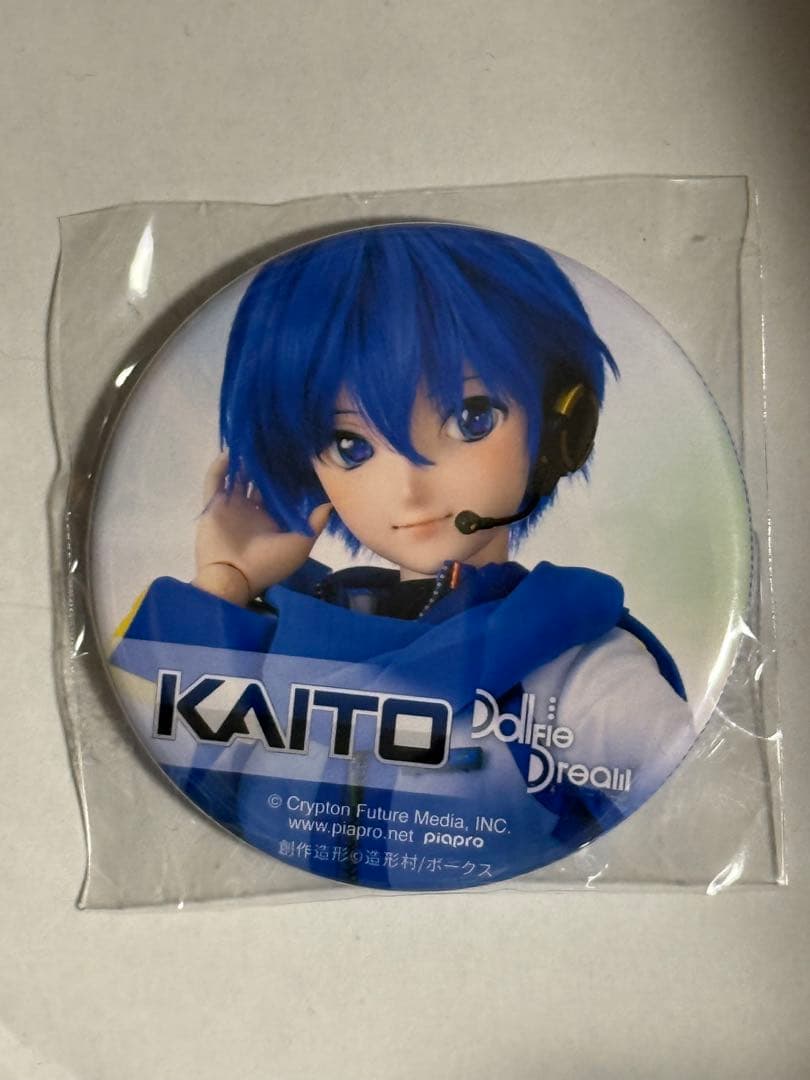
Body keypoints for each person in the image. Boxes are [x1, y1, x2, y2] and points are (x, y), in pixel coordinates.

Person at [110, 223, 697, 890]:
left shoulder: (576, 662)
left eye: (471, 417)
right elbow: (142, 767)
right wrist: (226, 579)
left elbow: (694, 807)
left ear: (563, 426)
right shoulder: (282, 636)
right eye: (350, 445)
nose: (409, 489)